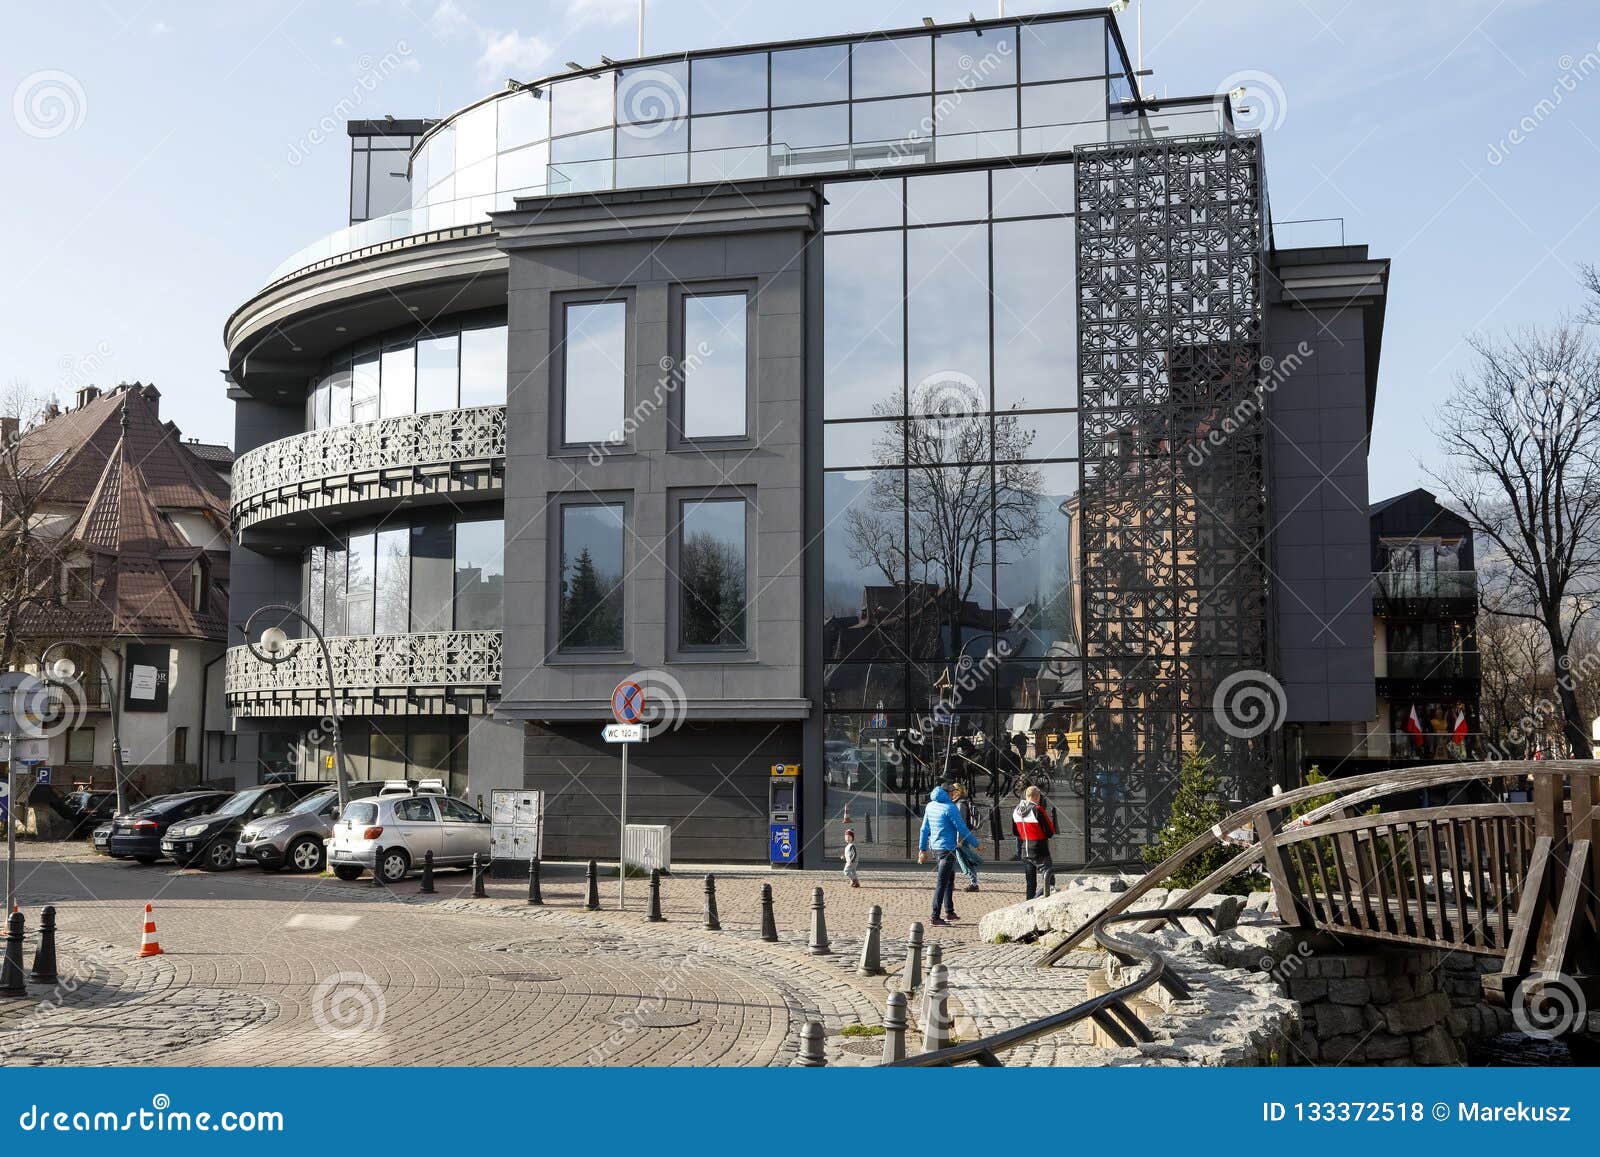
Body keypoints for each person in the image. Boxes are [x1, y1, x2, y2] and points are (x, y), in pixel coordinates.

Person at [918, 781, 979, 927]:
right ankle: (935, 916)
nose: (953, 794)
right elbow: (962, 829)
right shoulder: (950, 808)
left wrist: (922, 849)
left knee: (949, 880)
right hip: (947, 849)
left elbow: (924, 829)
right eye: (951, 792)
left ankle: (949, 911)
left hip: (936, 848)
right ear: (946, 793)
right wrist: (977, 844)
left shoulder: (930, 806)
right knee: (942, 882)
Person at [1012, 786, 1057, 901]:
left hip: (1024, 849)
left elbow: (1015, 832)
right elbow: (1050, 831)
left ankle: (1029, 903)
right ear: (1037, 796)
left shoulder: (1016, 810)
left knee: (1030, 884)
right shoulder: (1037, 809)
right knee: (1050, 881)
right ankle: (1035, 901)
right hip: (1039, 849)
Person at [950, 782, 980, 892]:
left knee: (964, 858)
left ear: (957, 792)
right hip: (960, 836)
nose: (950, 793)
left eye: (952, 791)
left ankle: (974, 883)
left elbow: (960, 824)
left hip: (962, 837)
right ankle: (951, 883)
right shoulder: (958, 803)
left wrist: (959, 840)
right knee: (957, 859)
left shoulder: (960, 804)